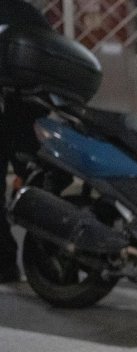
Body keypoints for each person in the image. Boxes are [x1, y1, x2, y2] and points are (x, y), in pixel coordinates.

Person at [0, 0, 52, 283]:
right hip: (26, 114)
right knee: (37, 187)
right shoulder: (24, 13)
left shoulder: (20, 13)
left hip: (22, 112)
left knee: (35, 188)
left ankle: (33, 263)